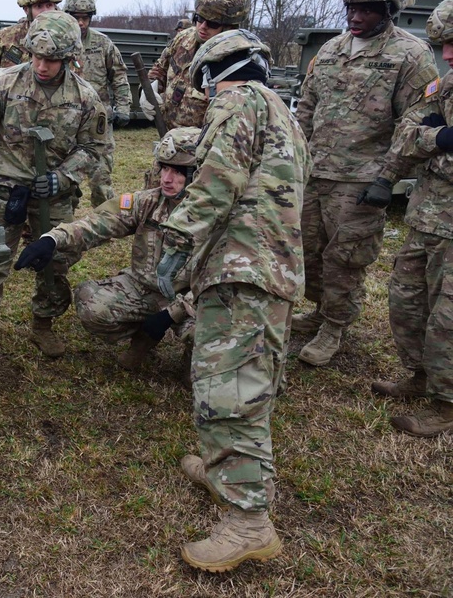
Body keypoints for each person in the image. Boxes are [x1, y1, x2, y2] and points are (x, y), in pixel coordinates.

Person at [157, 29, 310, 572]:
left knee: (230, 392)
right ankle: (225, 472)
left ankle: (249, 523)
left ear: (210, 74)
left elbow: (218, 180)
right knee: (251, 383)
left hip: (243, 272)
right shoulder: (283, 113)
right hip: (271, 269)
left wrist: (176, 243)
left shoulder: (236, 102)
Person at [293, 0, 440, 366]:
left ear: (390, 9)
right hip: (314, 172)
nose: (356, 17)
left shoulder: (410, 56)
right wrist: (293, 156)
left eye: (368, 9)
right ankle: (320, 309)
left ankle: (335, 326)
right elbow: (306, 108)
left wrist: (387, 178)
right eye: (351, 8)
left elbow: (414, 123)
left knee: (346, 257)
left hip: (361, 180)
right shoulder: (330, 49)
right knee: (309, 250)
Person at [0, 11, 112, 358]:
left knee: (55, 260)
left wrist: (63, 176)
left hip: (53, 192)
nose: (42, 66)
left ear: (69, 57)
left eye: (52, 60)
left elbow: (93, 148)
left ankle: (43, 324)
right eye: (37, 57)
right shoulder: (2, 83)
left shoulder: (87, 98)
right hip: (4, 187)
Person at [16, 128, 198, 372]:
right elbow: (99, 223)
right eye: (164, 168)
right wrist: (52, 239)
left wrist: (171, 315)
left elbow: (222, 282)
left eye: (178, 172)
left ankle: (194, 363)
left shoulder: (221, 217)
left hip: (194, 299)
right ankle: (144, 337)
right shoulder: (149, 201)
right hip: (145, 289)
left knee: (216, 330)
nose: (167, 178)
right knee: (94, 307)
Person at [370, 0, 453, 437]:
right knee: (406, 298)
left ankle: (446, 402)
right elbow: (407, 132)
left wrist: (429, 142)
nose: (447, 55)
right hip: (426, 216)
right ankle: (420, 376)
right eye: (442, 45)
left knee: (448, 316)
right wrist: (440, 139)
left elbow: (419, 140)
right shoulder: (447, 84)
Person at [147, 0, 251, 129]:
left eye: (212, 23)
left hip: (206, 147)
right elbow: (160, 69)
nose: (202, 26)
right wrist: (148, 90)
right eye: (199, 18)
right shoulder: (183, 39)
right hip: (169, 141)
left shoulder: (239, 61)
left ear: (230, 27)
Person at [63, 0, 131, 206]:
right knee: (66, 177)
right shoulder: (60, 44)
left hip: (98, 121)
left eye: (85, 18)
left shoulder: (103, 44)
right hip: (67, 119)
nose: (81, 23)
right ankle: (65, 223)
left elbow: (119, 76)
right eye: (76, 18)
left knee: (101, 176)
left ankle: (104, 222)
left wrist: (123, 108)